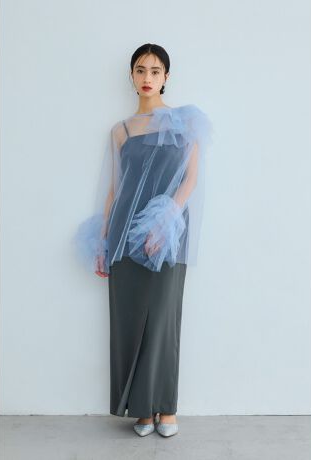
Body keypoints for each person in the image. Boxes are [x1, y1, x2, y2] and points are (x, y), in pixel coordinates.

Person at [73, 43, 213, 437]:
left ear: (166, 76)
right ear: (132, 76)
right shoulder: (120, 130)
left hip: (168, 233)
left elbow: (190, 180)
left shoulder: (186, 122)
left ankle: (165, 408)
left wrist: (163, 223)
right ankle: (142, 411)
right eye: (140, 70)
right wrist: (103, 240)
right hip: (123, 233)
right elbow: (115, 189)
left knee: (164, 318)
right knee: (129, 321)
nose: (147, 77)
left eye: (154, 70)